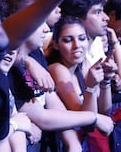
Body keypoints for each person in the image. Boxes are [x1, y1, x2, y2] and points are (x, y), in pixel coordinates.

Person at [47, 15, 116, 151]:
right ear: (56, 44)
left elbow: (104, 113)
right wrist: (90, 87)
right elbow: (87, 124)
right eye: (68, 40)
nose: (77, 45)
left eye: (82, 38)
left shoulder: (84, 64)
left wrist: (106, 81)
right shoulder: (57, 69)